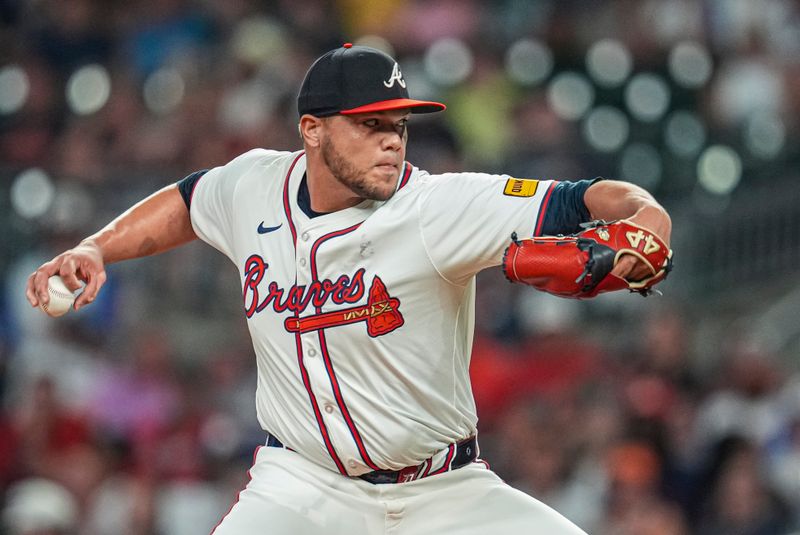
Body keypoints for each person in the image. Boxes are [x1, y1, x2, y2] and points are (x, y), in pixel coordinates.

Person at [27, 43, 671, 534]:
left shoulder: (439, 207)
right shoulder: (254, 185)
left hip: (441, 493)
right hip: (300, 487)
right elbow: (188, 202)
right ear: (312, 129)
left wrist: (649, 224)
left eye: (399, 124)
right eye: (370, 125)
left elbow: (593, 200)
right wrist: (95, 246)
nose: (392, 140)